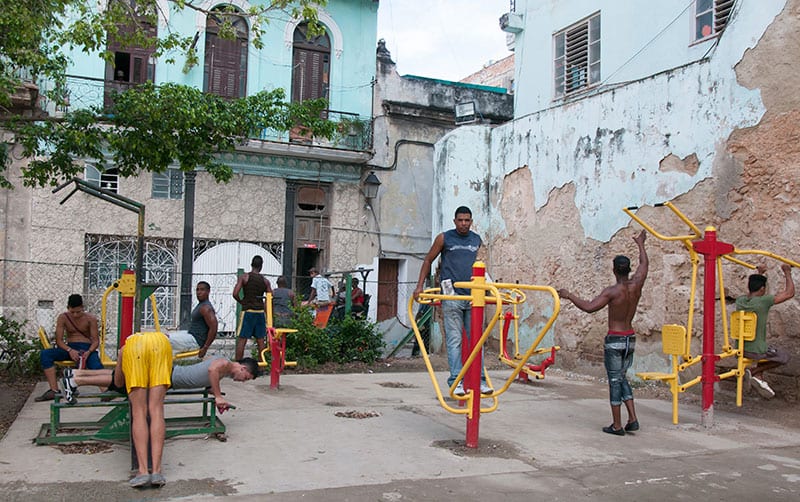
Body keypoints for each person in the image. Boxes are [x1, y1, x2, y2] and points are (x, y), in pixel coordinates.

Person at [558, 230, 648, 436]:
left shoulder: (612, 292)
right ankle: (632, 418)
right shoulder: (637, 285)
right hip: (629, 339)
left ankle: (617, 425)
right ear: (628, 270)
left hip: (615, 340)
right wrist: (641, 244)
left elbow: (589, 307)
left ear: (614, 270)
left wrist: (569, 295)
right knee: (622, 377)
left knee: (615, 381)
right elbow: (645, 265)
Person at [413, 206, 492, 396]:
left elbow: (481, 265)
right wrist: (419, 286)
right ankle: (456, 380)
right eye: (460, 220)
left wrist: (487, 289)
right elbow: (428, 260)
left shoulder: (476, 240)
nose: (464, 223)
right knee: (455, 340)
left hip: (473, 296)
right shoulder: (444, 238)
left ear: (471, 222)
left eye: (467, 220)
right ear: (455, 221)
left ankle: (479, 380)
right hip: (452, 296)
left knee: (476, 341)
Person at [61, 354, 259, 410]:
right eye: (246, 378)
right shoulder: (223, 364)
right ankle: (77, 379)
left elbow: (209, 377)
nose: (243, 381)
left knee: (119, 378)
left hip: (169, 376)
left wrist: (214, 394)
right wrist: (216, 396)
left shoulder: (224, 370)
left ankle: (77, 375)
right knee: (120, 384)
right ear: (243, 368)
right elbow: (211, 370)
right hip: (167, 375)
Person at [735, 263, 795, 399]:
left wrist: (759, 273)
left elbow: (753, 290)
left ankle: (758, 376)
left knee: (767, 349)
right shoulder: (763, 301)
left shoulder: (740, 301)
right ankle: (754, 371)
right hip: (755, 350)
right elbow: (789, 293)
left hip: (740, 348)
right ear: (762, 289)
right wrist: (787, 272)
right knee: (783, 357)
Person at [122, 331, 172, 488]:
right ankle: (156, 471)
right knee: (156, 409)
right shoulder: (163, 338)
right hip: (161, 345)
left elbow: (117, 379)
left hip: (134, 349)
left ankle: (143, 471)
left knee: (139, 411)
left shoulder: (126, 345)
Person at [35, 294, 104, 402]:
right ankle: (54, 390)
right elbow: (59, 341)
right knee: (46, 354)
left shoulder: (91, 319)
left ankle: (105, 392)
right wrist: (69, 350)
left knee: (96, 365)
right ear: (68, 308)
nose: (75, 315)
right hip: (69, 348)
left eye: (78, 312)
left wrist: (88, 352)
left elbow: (95, 341)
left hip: (87, 349)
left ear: (82, 308)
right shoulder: (63, 317)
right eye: (72, 312)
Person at [232, 255, 272, 360]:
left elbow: (235, 293)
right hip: (259, 312)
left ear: (251, 264)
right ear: (261, 266)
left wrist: (242, 302)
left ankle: (238, 365)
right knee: (260, 340)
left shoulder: (245, 277)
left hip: (248, 311)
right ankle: (261, 366)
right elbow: (269, 297)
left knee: (242, 339)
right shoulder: (265, 281)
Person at [168, 282, 218, 358]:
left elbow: (214, 328)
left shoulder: (206, 308)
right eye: (197, 290)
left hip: (195, 341)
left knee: (164, 341)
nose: (199, 292)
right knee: (164, 336)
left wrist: (205, 348)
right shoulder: (201, 305)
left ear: (208, 291)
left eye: (202, 290)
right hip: (190, 334)